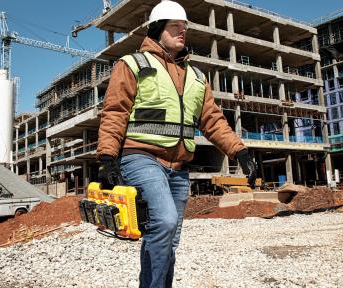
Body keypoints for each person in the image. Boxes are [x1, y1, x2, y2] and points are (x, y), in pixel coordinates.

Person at [96, 1, 257, 287]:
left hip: (179, 167)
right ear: (158, 30)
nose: (182, 32)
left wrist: (239, 150)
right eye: (175, 27)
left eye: (184, 28)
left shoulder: (196, 76)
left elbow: (212, 119)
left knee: (170, 238)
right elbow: (115, 112)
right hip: (141, 157)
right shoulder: (133, 64)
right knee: (166, 222)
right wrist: (108, 157)